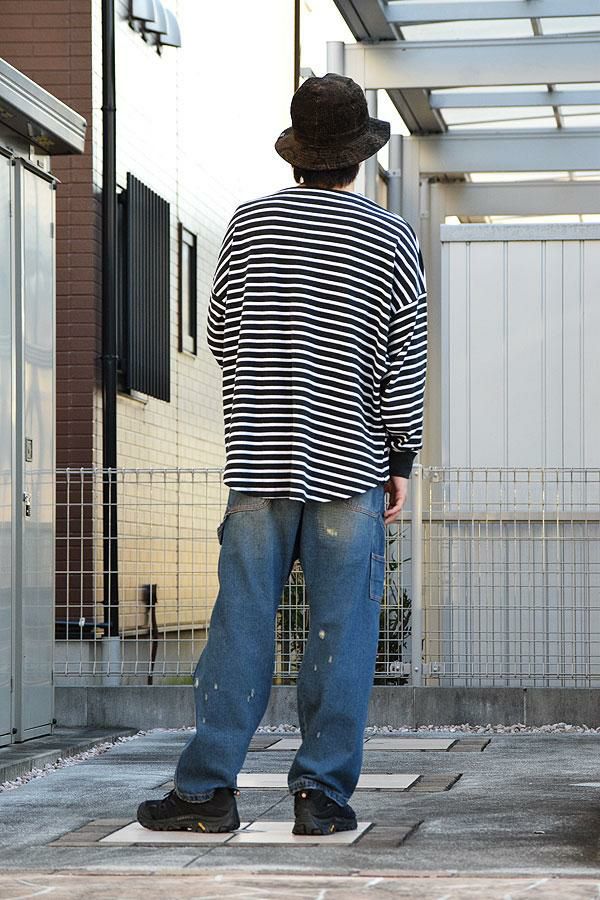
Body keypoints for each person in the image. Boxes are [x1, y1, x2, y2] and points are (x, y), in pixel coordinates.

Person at [137, 72, 427, 836]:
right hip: (350, 465)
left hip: (260, 461)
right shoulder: (392, 238)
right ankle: (321, 797)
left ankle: (207, 792)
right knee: (341, 634)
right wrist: (401, 458)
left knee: (239, 628)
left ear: (297, 154)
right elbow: (406, 359)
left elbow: (221, 332)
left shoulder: (248, 224)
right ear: (359, 156)